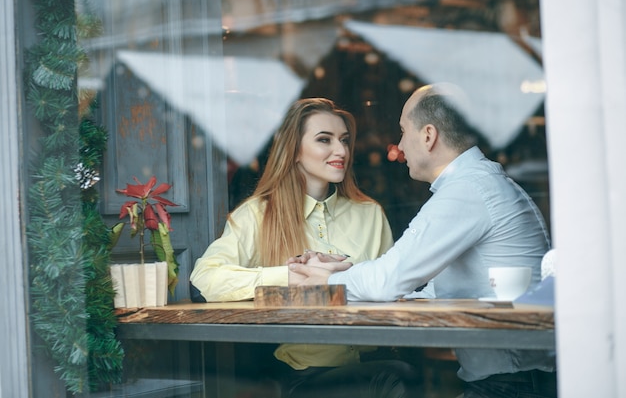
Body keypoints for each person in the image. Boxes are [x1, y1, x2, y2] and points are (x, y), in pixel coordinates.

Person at [288, 84, 558, 398]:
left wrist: (328, 279)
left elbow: (388, 280)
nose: (399, 145)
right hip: (522, 380)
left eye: (403, 131)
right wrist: (340, 274)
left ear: (428, 136)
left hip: (513, 387)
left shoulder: (467, 190)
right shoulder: (480, 184)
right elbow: (428, 289)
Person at [189, 97, 420, 398]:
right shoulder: (258, 215)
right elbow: (204, 279)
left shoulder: (370, 213)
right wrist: (291, 276)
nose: (341, 151)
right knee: (395, 378)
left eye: (345, 140)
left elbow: (395, 289)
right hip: (304, 375)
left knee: (399, 372)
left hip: (374, 358)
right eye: (325, 140)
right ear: (294, 150)